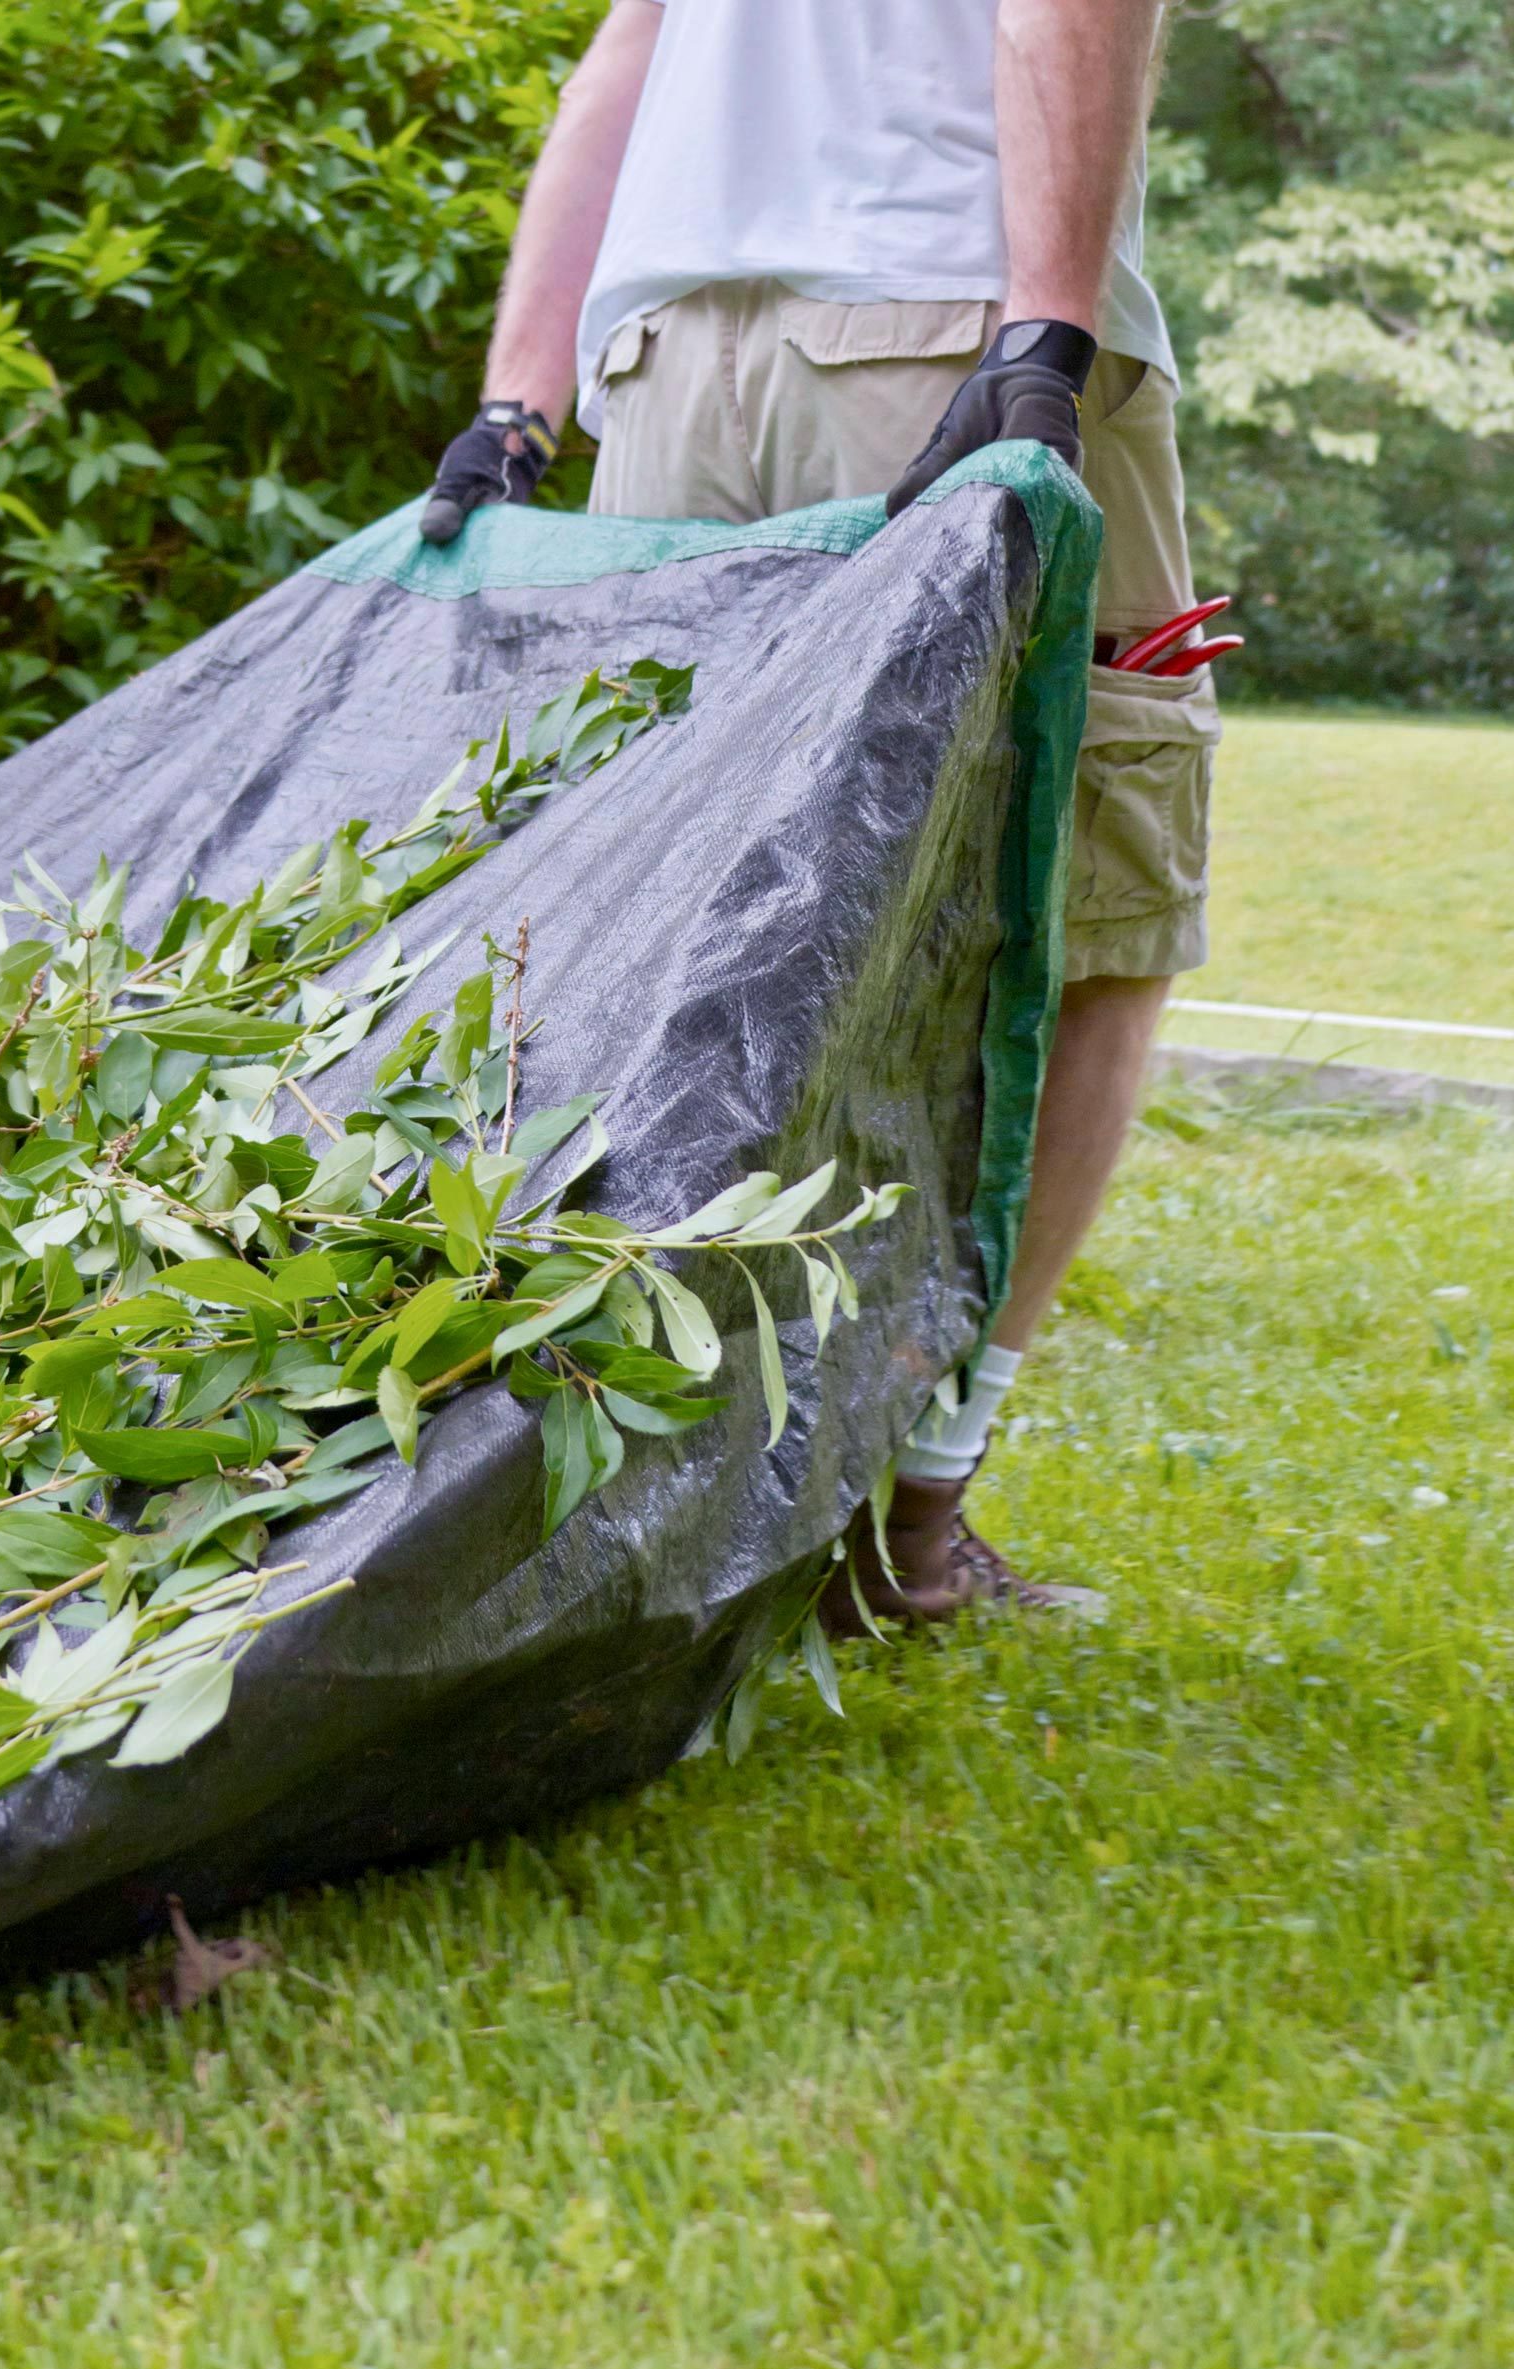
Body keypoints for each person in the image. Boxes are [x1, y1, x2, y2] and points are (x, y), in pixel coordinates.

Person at [421, 0, 1219, 1627]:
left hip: (662, 378)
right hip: (938, 317)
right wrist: (1049, 331)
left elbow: (634, 45)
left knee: (681, 954)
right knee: (1084, 922)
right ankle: (905, 1516)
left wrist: (521, 401)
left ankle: (607, 1516)